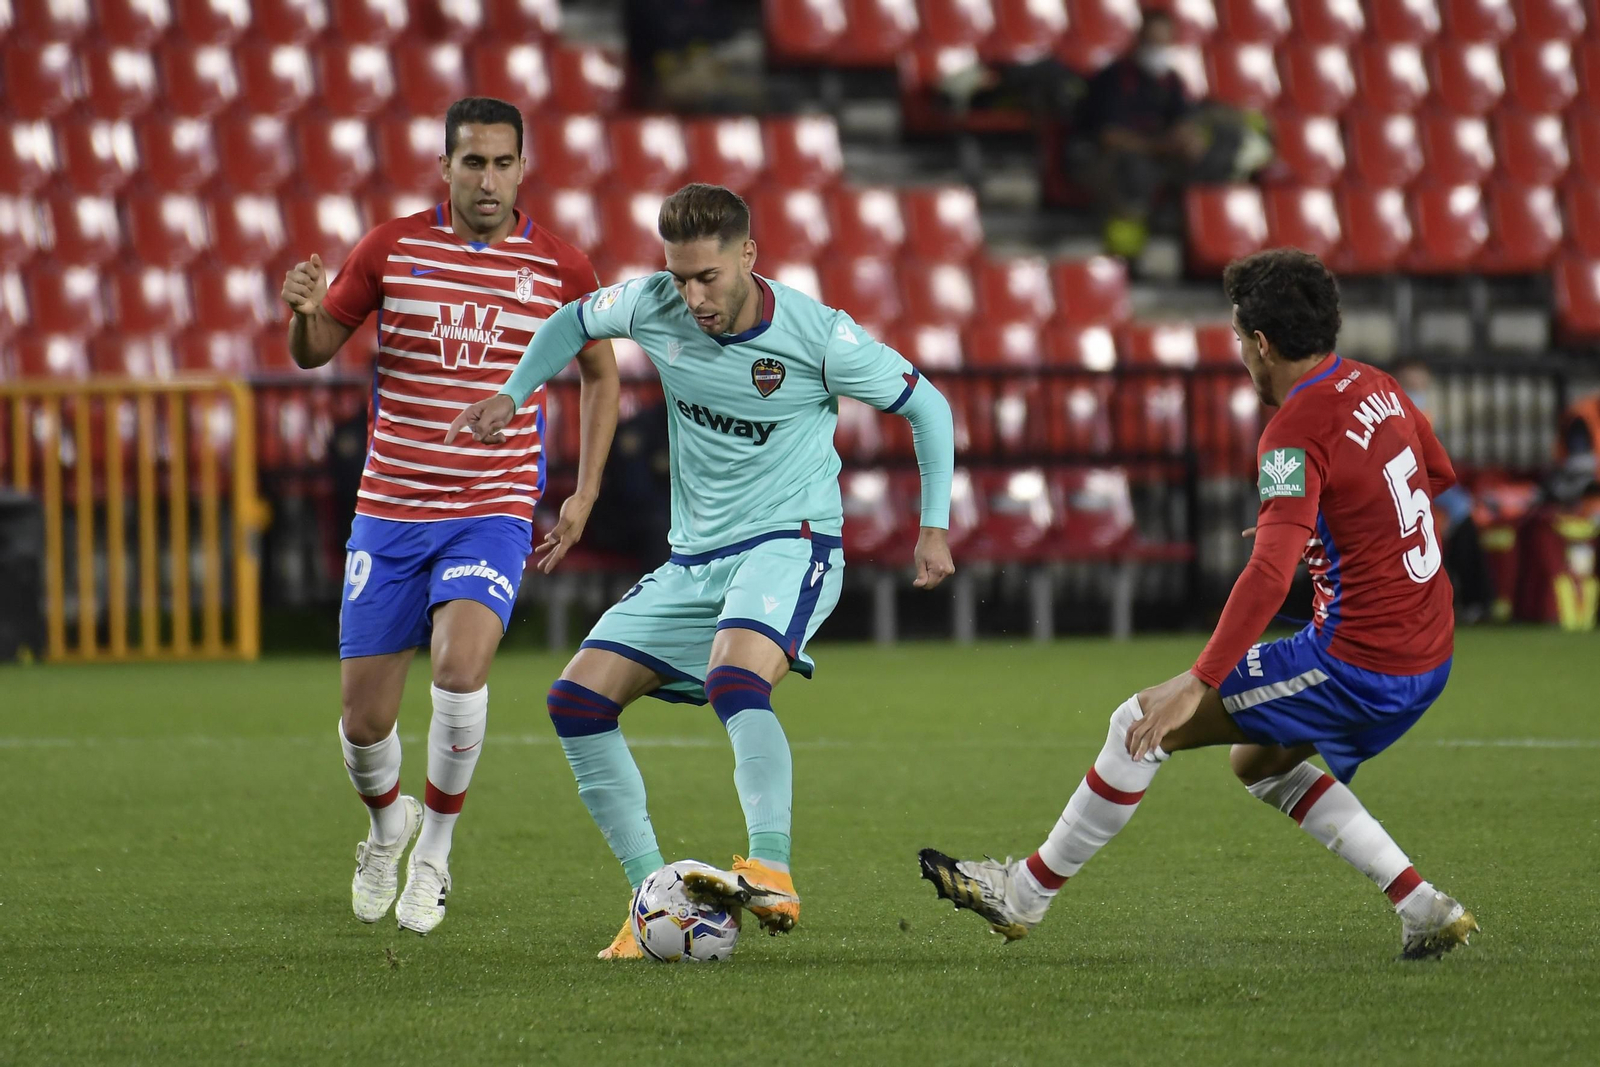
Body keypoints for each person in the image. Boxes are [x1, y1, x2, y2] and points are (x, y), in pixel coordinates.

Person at [919, 249, 1478, 961]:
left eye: (1239, 337)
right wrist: (1320, 523)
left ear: (1263, 343)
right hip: (1432, 649)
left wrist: (1199, 678)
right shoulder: (1382, 387)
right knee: (1258, 762)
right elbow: (1435, 477)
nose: (1240, 352)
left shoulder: (1292, 431)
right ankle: (1422, 905)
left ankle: (1023, 892)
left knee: (1141, 721)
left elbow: (1271, 570)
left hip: (1361, 662)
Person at [449, 183, 957, 959]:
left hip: (792, 542)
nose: (691, 297)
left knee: (734, 678)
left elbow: (931, 409)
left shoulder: (819, 336)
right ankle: (655, 897)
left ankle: (773, 866)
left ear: (748, 255)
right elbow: (569, 321)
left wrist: (933, 529)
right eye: (679, 277)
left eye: (707, 278)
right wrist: (514, 394)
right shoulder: (654, 301)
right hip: (694, 559)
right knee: (576, 701)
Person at [279, 96, 620, 935]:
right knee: (364, 724)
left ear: (523, 168)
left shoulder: (561, 267)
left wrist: (583, 491)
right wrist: (302, 313)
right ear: (445, 167)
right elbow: (318, 348)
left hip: (491, 506)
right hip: (391, 509)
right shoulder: (391, 248)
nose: (490, 179)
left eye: (504, 162)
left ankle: (433, 847)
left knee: (462, 670)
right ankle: (385, 824)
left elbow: (602, 376)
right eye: (474, 162)